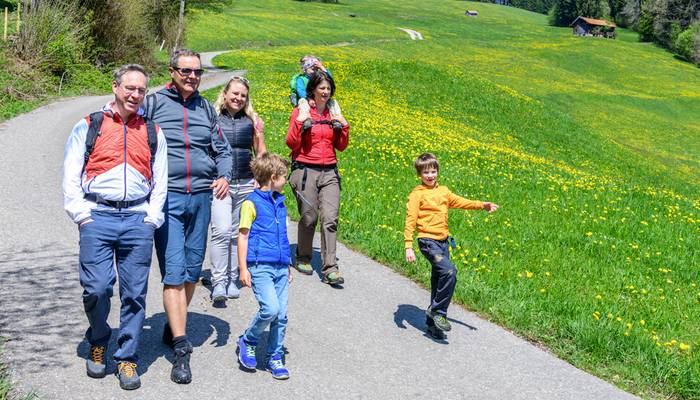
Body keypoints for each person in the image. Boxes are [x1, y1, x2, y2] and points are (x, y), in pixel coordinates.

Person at [62, 64, 168, 390]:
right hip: (98, 216)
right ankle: (98, 337)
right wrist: (81, 214)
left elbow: (160, 179)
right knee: (96, 289)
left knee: (135, 294)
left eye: (141, 90)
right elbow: (70, 173)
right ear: (116, 87)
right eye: (130, 88)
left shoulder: (152, 131)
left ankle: (126, 356)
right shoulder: (90, 125)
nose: (135, 95)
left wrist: (152, 218)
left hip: (137, 219)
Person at [143, 49, 232, 384]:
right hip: (168, 199)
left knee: (193, 270)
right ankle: (182, 348)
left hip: (201, 199)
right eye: (186, 71)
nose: (193, 77)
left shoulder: (206, 109)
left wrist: (223, 175)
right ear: (172, 71)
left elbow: (221, 149)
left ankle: (173, 323)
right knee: (173, 272)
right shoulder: (153, 104)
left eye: (197, 72)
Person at [404, 153, 499, 339]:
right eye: (426, 172)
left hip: (443, 241)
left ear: (438, 171)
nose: (430, 176)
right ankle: (438, 312)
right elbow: (410, 219)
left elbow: (462, 202)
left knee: (439, 278)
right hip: (427, 241)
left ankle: (432, 325)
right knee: (449, 271)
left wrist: (482, 205)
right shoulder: (417, 194)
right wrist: (408, 245)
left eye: (433, 171)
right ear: (419, 174)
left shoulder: (444, 192)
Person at [286, 71, 350, 285]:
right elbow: (291, 143)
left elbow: (341, 146)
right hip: (305, 170)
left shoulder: (333, 113)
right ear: (313, 89)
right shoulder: (300, 111)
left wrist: (343, 126)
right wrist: (301, 122)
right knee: (309, 217)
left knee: (330, 219)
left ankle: (330, 268)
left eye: (328, 88)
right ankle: (303, 256)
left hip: (330, 171)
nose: (325, 91)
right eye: (322, 88)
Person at [235, 152, 293, 380]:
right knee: (270, 309)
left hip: (280, 267)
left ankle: (274, 356)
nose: (286, 180)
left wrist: (287, 265)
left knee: (282, 315)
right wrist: (243, 268)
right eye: (284, 176)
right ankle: (248, 339)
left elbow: (283, 236)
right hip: (259, 266)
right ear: (272, 176)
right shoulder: (251, 203)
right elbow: (243, 236)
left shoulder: (280, 203)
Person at [209, 75, 266, 302]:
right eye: (234, 93)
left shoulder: (251, 120)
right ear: (225, 94)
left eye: (243, 95)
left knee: (237, 233)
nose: (238, 98)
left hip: (245, 182)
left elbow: (260, 153)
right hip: (220, 184)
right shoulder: (213, 118)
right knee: (221, 231)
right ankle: (218, 281)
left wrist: (259, 178)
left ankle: (233, 279)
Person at [290, 55, 343, 131]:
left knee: (333, 103)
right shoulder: (301, 79)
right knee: (302, 102)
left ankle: (336, 120)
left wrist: (322, 67)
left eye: (316, 69)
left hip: (320, 99)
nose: (314, 70)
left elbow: (329, 79)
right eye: (311, 68)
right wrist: (309, 99)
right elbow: (301, 91)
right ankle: (307, 120)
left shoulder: (319, 78)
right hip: (307, 99)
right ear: (304, 69)